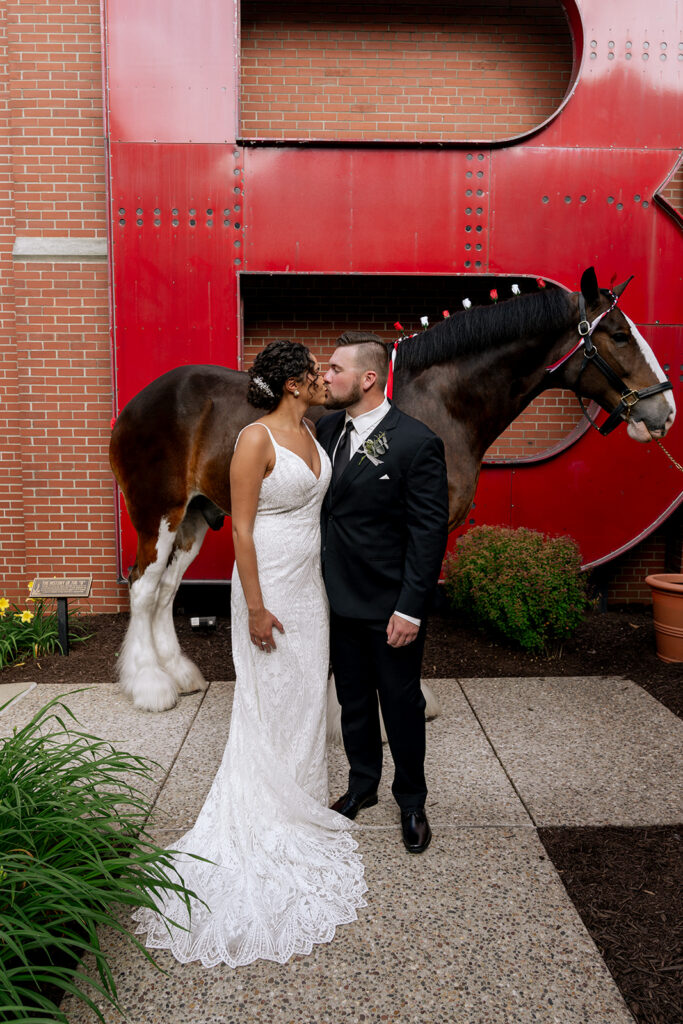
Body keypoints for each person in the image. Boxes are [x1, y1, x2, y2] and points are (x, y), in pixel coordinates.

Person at [133, 340, 367, 968]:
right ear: (292, 383)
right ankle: (267, 807)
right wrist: (258, 606)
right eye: (314, 375)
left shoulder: (318, 435)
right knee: (268, 697)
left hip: (309, 587)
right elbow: (238, 528)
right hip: (266, 586)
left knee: (304, 695)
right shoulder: (253, 441)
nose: (324, 381)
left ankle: (302, 798)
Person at [317, 331, 449, 854]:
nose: (324, 376)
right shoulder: (326, 430)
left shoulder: (416, 442)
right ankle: (362, 785)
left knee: (401, 704)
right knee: (352, 702)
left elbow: (427, 534)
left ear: (368, 379)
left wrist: (410, 609)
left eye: (334, 369)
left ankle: (411, 800)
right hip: (336, 603)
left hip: (391, 608)